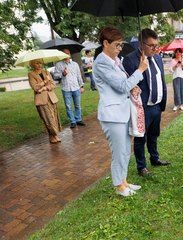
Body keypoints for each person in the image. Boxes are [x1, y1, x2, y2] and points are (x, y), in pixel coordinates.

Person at [93, 26, 148, 197]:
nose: (120, 48)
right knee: (118, 151)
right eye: (117, 45)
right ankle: (119, 186)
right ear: (105, 43)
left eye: (121, 45)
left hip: (122, 112)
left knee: (125, 150)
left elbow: (125, 85)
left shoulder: (115, 61)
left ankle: (123, 181)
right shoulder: (102, 62)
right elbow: (121, 85)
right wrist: (140, 70)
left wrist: (133, 88)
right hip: (112, 115)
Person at [123, 28, 170, 177]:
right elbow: (129, 85)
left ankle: (155, 158)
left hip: (156, 106)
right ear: (141, 44)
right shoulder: (130, 59)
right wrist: (140, 68)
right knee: (140, 138)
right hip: (142, 108)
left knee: (153, 135)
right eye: (151, 45)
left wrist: (162, 102)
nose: (155, 48)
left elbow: (161, 80)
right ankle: (141, 166)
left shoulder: (157, 58)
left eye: (156, 45)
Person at [28, 59, 62, 144]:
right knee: (47, 118)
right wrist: (45, 81)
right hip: (41, 100)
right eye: (37, 63)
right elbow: (35, 87)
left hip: (52, 98)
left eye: (40, 63)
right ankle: (52, 135)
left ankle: (55, 135)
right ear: (32, 65)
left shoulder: (46, 72)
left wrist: (44, 88)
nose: (39, 65)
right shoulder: (31, 74)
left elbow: (53, 85)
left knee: (54, 117)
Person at [54, 48, 86, 129]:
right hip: (66, 88)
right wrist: (63, 74)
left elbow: (79, 75)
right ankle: (72, 121)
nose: (66, 55)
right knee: (68, 106)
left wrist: (81, 86)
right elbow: (55, 76)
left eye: (68, 53)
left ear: (70, 54)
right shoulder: (59, 65)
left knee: (78, 105)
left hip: (76, 87)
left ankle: (78, 119)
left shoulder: (75, 64)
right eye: (65, 53)